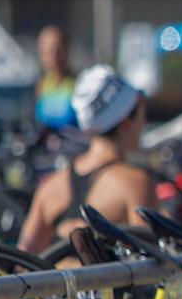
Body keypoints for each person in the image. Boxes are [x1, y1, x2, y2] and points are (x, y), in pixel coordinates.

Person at [17, 65, 159, 254]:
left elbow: (22, 264)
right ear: (126, 119)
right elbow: (152, 267)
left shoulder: (50, 187)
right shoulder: (135, 184)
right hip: (109, 284)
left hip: (60, 282)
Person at [33, 26, 78, 133]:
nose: (54, 56)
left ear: (67, 49)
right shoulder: (41, 86)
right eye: (48, 51)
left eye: (58, 49)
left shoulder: (78, 84)